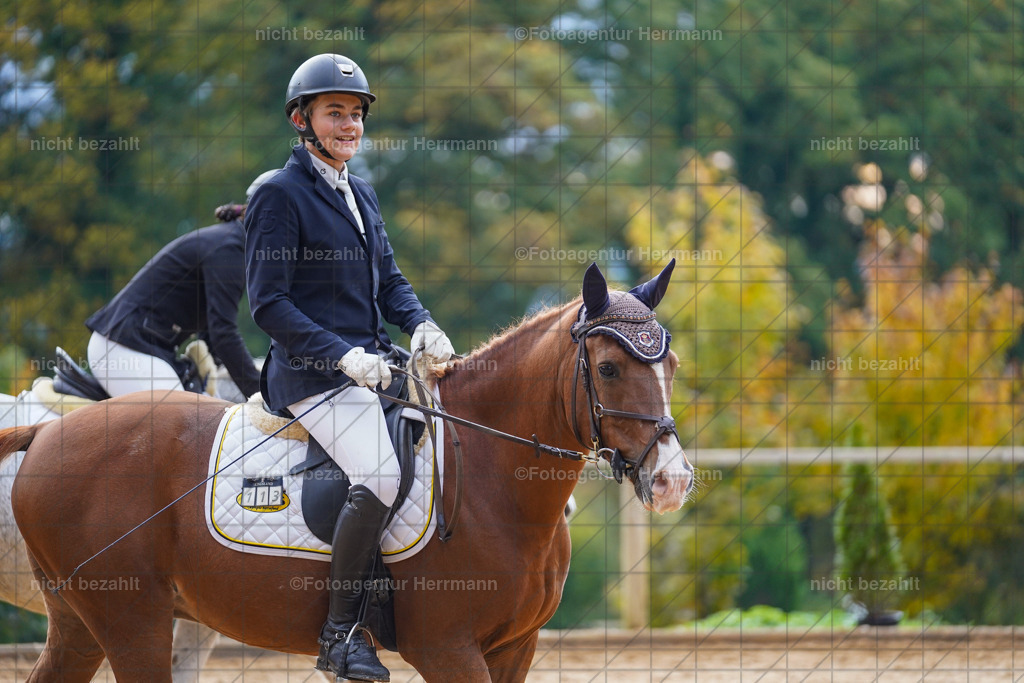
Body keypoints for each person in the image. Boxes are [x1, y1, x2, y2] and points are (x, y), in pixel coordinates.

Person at [244, 54, 453, 682]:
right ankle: (338, 637)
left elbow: (389, 282)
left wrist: (421, 322)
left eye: (356, 114)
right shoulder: (277, 194)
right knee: (381, 473)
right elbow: (268, 304)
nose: (349, 125)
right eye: (336, 112)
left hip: (376, 369)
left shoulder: (359, 191)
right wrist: (340, 354)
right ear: (302, 119)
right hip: (312, 378)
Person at [85, 174, 274, 399]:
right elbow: (223, 333)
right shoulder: (229, 250)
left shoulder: (234, 245)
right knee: (182, 421)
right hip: (122, 348)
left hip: (140, 347)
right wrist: (263, 397)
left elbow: (213, 335)